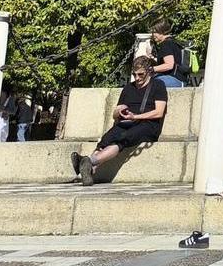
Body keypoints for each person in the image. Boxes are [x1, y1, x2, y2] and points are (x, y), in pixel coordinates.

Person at [70, 56, 167, 186]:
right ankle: (89, 169)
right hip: (127, 122)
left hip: (147, 124)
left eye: (141, 74)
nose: (137, 78)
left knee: (123, 138)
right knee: (107, 138)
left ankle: (89, 162)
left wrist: (135, 117)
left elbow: (159, 112)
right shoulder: (128, 88)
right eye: (134, 74)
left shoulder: (158, 85)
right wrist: (119, 111)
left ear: (149, 72)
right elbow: (115, 115)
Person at [150, 20, 186, 88]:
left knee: (146, 85)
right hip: (180, 79)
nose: (153, 34)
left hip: (174, 79)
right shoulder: (173, 41)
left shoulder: (166, 44)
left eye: (155, 32)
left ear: (162, 31)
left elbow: (169, 65)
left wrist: (151, 69)